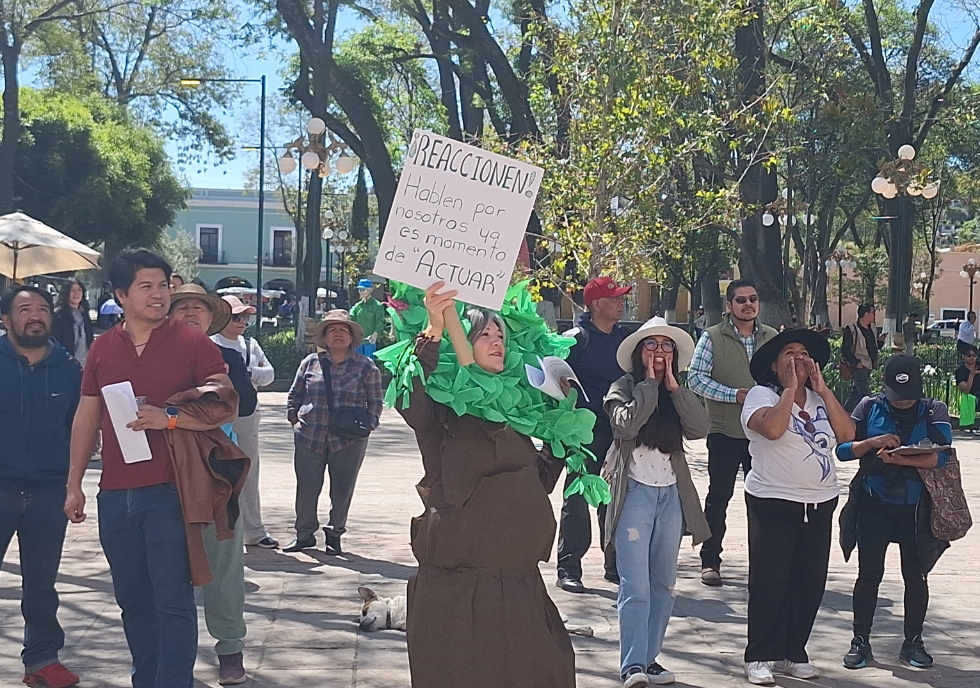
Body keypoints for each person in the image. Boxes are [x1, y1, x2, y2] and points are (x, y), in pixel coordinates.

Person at [63, 249, 234, 688]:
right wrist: (74, 485)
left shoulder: (193, 342)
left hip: (169, 490)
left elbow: (224, 400)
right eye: (147, 286)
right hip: (115, 495)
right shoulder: (103, 348)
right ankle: (146, 679)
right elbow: (87, 417)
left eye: (163, 285)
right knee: (133, 601)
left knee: (173, 601)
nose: (159, 295)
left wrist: (171, 417)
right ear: (121, 294)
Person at [393, 281, 575, 688]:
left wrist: (561, 429)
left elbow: (537, 483)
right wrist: (435, 329)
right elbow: (411, 399)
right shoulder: (444, 414)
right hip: (459, 589)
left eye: (501, 336)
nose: (496, 342)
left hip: (519, 584)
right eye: (483, 335)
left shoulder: (518, 414)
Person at [739, 329, 855, 685]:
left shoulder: (820, 399)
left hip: (819, 502)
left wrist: (823, 390)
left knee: (809, 581)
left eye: (804, 353)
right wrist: (790, 390)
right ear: (774, 366)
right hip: (773, 500)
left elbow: (847, 435)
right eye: (789, 353)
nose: (798, 358)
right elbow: (772, 429)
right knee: (770, 581)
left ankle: (793, 651)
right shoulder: (761, 394)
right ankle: (760, 654)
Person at [603, 317, 711, 687]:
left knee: (663, 583)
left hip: (671, 495)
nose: (659, 352)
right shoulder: (623, 387)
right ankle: (631, 664)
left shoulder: (678, 391)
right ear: (638, 353)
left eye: (667, 346)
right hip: (633, 492)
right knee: (635, 585)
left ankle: (650, 660)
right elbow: (626, 426)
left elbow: (699, 427)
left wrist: (674, 388)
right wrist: (649, 384)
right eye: (651, 345)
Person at [836, 355, 954, 671]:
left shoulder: (933, 410)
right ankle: (860, 639)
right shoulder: (867, 407)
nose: (903, 402)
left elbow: (943, 458)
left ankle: (913, 641)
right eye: (897, 396)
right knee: (869, 575)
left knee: (915, 576)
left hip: (916, 508)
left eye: (909, 395)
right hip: (874, 504)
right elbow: (843, 450)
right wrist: (872, 443)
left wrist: (902, 459)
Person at [168, 284, 253, 685]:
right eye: (181, 306)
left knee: (224, 565)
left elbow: (242, 404)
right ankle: (173, 653)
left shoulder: (228, 358)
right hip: (163, 474)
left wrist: (180, 409)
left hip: (217, 475)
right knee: (168, 569)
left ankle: (230, 647)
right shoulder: (153, 357)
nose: (190, 312)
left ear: (210, 317)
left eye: (198, 308)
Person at [0, 286, 82, 688]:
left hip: (50, 491)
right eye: (24, 309)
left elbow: (79, 432)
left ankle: (43, 660)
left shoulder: (69, 369)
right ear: (5, 319)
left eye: (42, 309)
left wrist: (74, 486)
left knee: (42, 585)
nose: (35, 315)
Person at [688, 278, 778, 586]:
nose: (748, 304)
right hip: (725, 432)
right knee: (719, 499)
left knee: (765, 500)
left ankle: (765, 564)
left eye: (753, 299)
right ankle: (710, 561)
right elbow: (696, 380)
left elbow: (784, 378)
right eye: (741, 300)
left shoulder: (772, 337)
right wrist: (734, 395)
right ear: (730, 306)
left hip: (764, 434)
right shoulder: (712, 338)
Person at [284, 310, 382, 554]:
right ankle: (304, 534)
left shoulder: (365, 366)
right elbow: (295, 394)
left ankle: (335, 534)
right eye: (332, 330)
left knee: (342, 489)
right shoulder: (310, 363)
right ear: (324, 338)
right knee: (306, 488)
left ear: (351, 338)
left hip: (348, 440)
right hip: (310, 435)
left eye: (343, 330)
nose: (338, 334)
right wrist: (294, 419)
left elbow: (376, 401)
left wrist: (369, 425)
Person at [556, 276, 631, 592]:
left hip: (618, 431)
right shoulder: (575, 339)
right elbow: (551, 372)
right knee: (576, 498)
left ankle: (615, 565)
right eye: (614, 299)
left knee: (615, 499)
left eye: (621, 298)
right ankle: (568, 568)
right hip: (581, 434)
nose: (620, 303)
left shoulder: (627, 339)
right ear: (597, 304)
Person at [213, 295, 279, 549]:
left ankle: (254, 529)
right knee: (219, 474)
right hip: (217, 417)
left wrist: (249, 372)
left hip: (247, 415)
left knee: (249, 472)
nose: (242, 321)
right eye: (235, 316)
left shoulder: (250, 345)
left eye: (245, 316)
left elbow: (269, 375)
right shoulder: (210, 344)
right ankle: (223, 531)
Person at [842, 304, 880, 413]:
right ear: (866, 314)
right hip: (859, 367)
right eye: (872, 313)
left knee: (856, 393)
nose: (874, 316)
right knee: (865, 395)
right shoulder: (851, 329)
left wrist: (880, 342)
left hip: (868, 365)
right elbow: (845, 349)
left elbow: (872, 347)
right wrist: (856, 362)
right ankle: (868, 416)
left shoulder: (872, 329)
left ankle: (846, 412)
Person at [51, 279, 94, 368]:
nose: (76, 293)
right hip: (65, 366)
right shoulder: (59, 315)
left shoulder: (84, 313)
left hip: (86, 365)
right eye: (72, 290)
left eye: (79, 290)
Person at [350, 278, 386, 357]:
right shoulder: (358, 306)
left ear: (370, 290)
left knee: (369, 362)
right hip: (358, 341)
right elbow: (350, 317)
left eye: (363, 290)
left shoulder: (377, 305)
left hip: (370, 341)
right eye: (359, 290)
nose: (360, 292)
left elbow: (380, 321)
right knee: (357, 362)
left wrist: (376, 333)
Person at [955, 344, 980, 434]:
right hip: (972, 395)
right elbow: (966, 390)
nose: (971, 358)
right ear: (963, 356)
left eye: (974, 356)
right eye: (969, 356)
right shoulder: (960, 371)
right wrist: (972, 375)